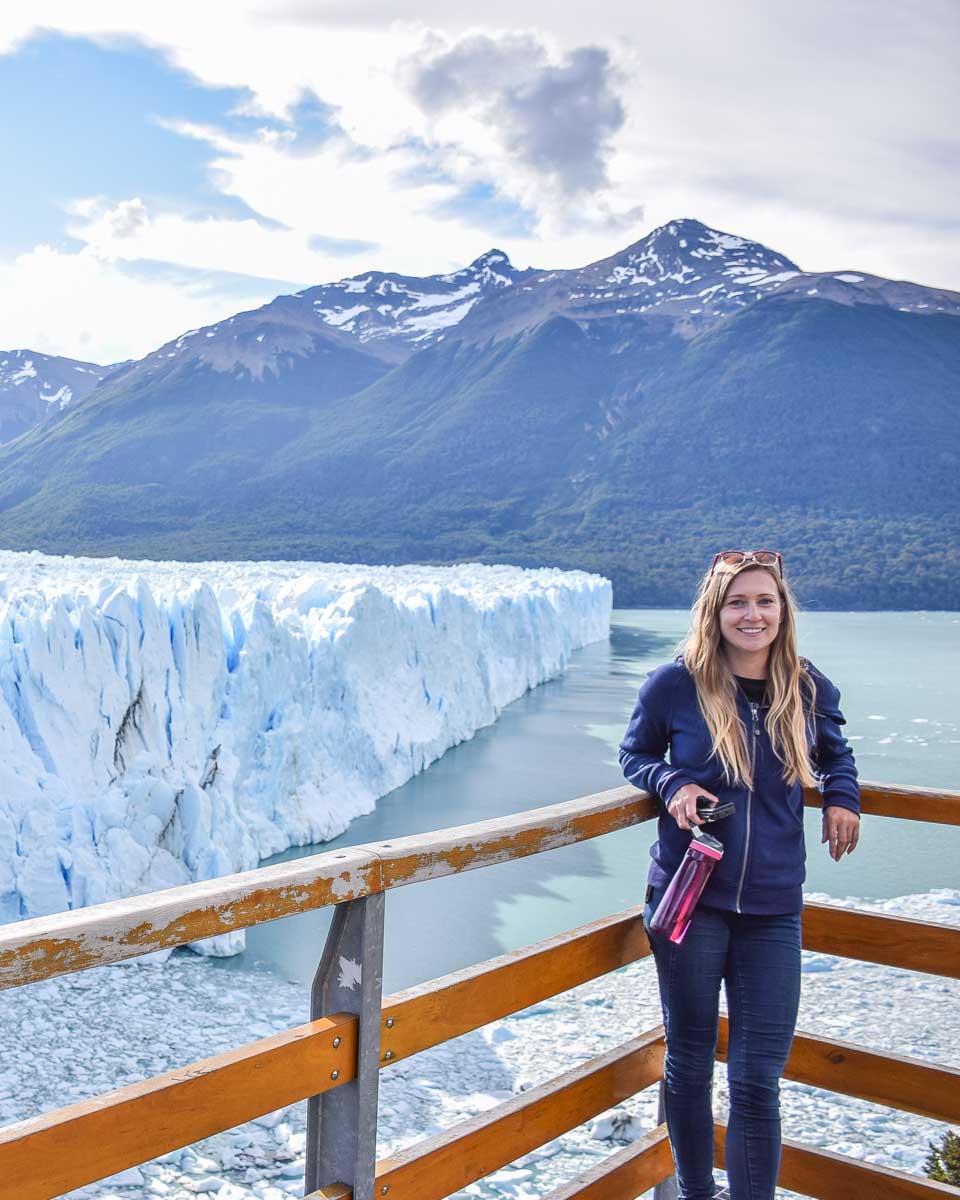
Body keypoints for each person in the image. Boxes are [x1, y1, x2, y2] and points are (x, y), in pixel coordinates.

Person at [619, 549, 860, 1200]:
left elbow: (837, 757)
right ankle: (699, 1195)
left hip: (774, 909)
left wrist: (842, 797)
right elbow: (635, 754)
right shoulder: (676, 684)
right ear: (715, 612)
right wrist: (671, 782)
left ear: (783, 612)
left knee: (757, 1076)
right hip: (692, 898)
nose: (752, 615)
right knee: (691, 1063)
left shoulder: (807, 688)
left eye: (765, 602)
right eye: (738, 602)